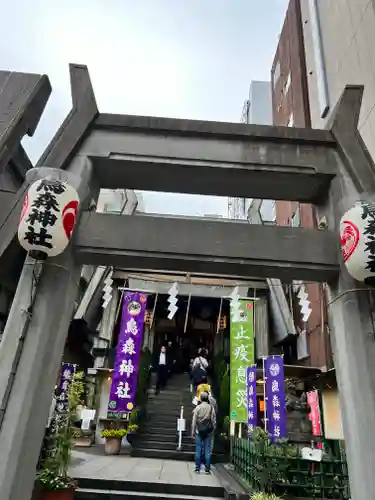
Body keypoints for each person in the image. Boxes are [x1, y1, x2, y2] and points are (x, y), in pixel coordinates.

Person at [191, 391, 216, 474]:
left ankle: (197, 468)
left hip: (199, 431)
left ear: (201, 399)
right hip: (208, 432)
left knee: (198, 449)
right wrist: (212, 430)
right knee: (207, 450)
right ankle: (207, 469)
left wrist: (193, 432)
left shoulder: (197, 408)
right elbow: (213, 421)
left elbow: (194, 421)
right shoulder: (211, 408)